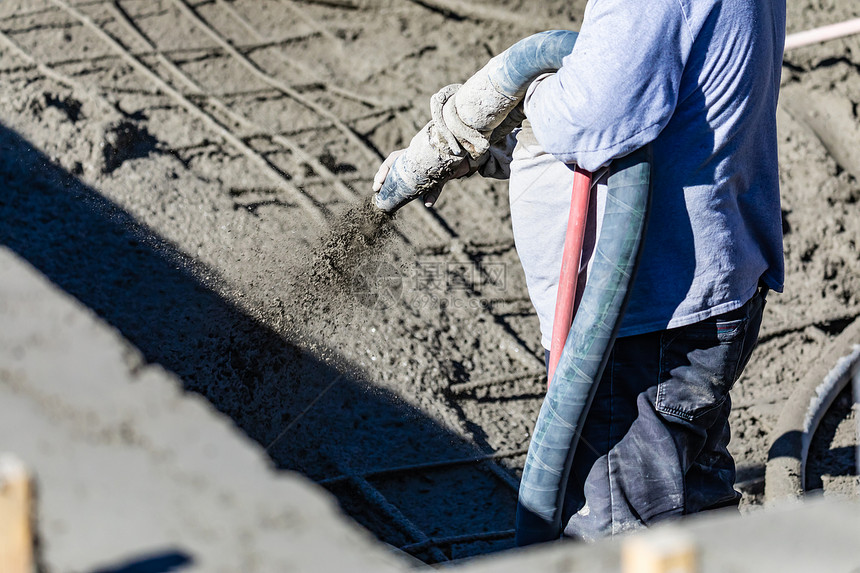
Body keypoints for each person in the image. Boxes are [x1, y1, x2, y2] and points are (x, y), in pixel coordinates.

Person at [375, 0, 786, 542]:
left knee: (615, 532)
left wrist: (524, 95)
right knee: (690, 506)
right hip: (703, 288)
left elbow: (596, 115)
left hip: (644, 314)